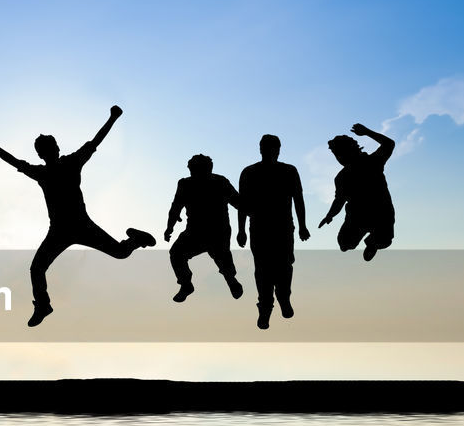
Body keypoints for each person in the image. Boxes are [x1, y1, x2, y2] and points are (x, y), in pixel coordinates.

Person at [0, 105, 156, 327]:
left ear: (55, 148)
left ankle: (136, 240)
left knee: (121, 253)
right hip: (60, 231)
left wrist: (112, 118)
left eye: (50, 146)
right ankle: (43, 305)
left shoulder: (70, 163)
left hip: (81, 226)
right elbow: (14, 161)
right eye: (45, 149)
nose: (49, 151)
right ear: (41, 154)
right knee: (37, 268)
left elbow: (96, 141)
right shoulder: (43, 172)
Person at [237, 134, 310, 329]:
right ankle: (266, 308)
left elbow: (298, 199)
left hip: (283, 226)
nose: (270, 151)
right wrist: (241, 229)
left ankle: (283, 297)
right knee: (263, 269)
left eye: (273, 147)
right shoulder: (249, 172)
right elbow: (242, 204)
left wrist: (303, 225)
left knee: (284, 265)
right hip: (260, 227)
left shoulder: (289, 171)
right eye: (267, 147)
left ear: (279, 149)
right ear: (260, 149)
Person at [164, 153, 244, 303]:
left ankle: (230, 280)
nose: (194, 173)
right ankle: (188, 284)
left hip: (215, 231)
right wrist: (170, 227)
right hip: (198, 232)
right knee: (177, 253)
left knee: (222, 257)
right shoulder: (186, 184)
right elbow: (175, 207)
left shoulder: (219, 182)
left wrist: (170, 227)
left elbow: (239, 203)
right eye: (193, 170)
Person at [318, 123, 395, 262]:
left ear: (351, 151)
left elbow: (389, 144)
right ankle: (370, 240)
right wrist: (330, 215)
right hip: (358, 216)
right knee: (344, 243)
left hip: (381, 214)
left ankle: (373, 242)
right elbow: (339, 200)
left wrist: (367, 132)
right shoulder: (342, 177)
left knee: (384, 239)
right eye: (336, 155)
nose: (339, 159)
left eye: (340, 154)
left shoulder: (372, 162)